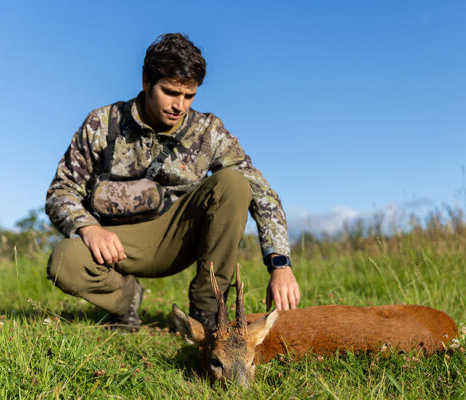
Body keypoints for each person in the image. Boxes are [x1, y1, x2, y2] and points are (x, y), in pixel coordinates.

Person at [45, 33, 300, 332]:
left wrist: (280, 265)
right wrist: (89, 230)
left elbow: (262, 194)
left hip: (179, 237)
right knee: (65, 260)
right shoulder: (102, 123)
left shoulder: (208, 131)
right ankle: (125, 301)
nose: (179, 105)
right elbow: (60, 191)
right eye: (169, 92)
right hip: (117, 243)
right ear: (145, 81)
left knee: (233, 183)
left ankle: (208, 312)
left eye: (189, 96)